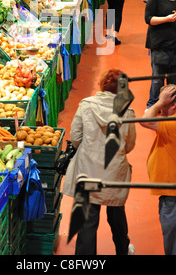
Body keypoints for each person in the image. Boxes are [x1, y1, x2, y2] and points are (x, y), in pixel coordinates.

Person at [62, 68, 136, 255]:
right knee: (117, 212)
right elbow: (129, 144)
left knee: (87, 219)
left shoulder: (86, 105)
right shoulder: (127, 112)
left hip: (88, 169)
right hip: (114, 171)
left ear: (103, 85)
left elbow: (76, 137)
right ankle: (123, 249)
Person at [141, 84, 176, 255]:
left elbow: (145, 120)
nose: (160, 110)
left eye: (163, 106)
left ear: (172, 105)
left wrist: (158, 103)